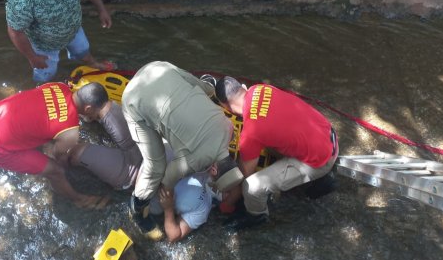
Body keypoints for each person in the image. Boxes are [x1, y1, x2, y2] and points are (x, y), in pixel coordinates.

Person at [66, 86, 220, 242]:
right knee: (101, 104)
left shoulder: (202, 206)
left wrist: (168, 208)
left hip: (132, 173)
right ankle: (90, 114)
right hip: (146, 145)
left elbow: (173, 236)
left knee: (75, 153)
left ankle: (137, 212)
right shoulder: (211, 156)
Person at [121, 61, 243, 235]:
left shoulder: (228, 127)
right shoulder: (195, 160)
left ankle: (209, 84)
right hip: (134, 101)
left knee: (200, 87)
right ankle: (137, 208)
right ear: (214, 169)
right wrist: (167, 202)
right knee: (155, 166)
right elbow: (168, 178)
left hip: (157, 69)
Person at [215, 76, 339, 228]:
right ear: (243, 87)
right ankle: (317, 179)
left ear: (226, 106)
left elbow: (245, 175)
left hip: (320, 161)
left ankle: (257, 217)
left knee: (252, 187)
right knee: (271, 142)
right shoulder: (261, 89)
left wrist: (229, 202)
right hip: (328, 135)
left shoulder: (251, 133)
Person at [0, 81, 111, 209]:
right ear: (88, 109)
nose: (97, 116)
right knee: (56, 171)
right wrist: (68, 165)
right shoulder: (70, 133)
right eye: (97, 113)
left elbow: (47, 114)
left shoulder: (58, 86)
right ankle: (79, 200)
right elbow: (59, 157)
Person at [5, 0, 116, 83]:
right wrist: (32, 57)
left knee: (83, 49)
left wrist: (101, 9)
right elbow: (15, 32)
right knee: (45, 75)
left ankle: (92, 63)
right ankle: (45, 85)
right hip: (45, 45)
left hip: (73, 28)